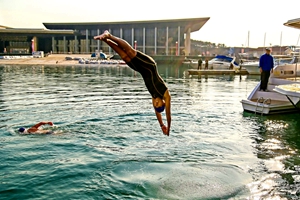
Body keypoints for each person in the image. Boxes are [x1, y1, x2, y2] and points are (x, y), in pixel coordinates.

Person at [94, 31, 171, 136]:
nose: (156, 103)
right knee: (130, 51)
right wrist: (168, 128)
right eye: (158, 104)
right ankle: (109, 35)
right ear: (163, 103)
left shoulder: (154, 97)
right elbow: (168, 115)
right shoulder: (165, 95)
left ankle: (105, 40)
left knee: (124, 56)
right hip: (149, 66)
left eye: (155, 105)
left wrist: (161, 125)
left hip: (140, 69)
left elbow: (157, 112)